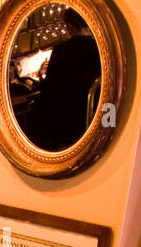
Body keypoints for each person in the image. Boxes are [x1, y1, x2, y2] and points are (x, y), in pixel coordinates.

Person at [24, 9, 102, 152]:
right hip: (88, 118)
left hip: (64, 119)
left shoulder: (63, 50)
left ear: (70, 26)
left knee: (31, 112)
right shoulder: (100, 49)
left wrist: (39, 79)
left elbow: (51, 88)